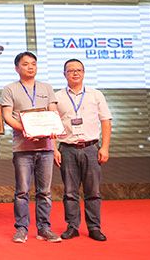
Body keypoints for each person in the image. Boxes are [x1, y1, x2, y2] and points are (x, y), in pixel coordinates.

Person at [1, 51, 61, 244]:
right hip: (22, 148)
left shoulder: (46, 87)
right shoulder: (10, 89)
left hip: (46, 148)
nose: (30, 67)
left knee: (45, 192)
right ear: (17, 68)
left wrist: (53, 131)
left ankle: (44, 228)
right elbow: (7, 116)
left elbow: (53, 113)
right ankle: (21, 228)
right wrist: (27, 129)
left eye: (33, 63)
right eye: (26, 64)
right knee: (22, 191)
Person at [54, 59, 111, 242]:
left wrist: (104, 147)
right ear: (64, 74)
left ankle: (94, 227)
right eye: (71, 70)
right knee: (70, 192)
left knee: (93, 192)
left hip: (91, 148)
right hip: (67, 149)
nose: (75, 73)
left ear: (84, 73)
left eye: (79, 70)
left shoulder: (95, 95)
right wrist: (54, 149)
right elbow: (53, 125)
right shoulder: (57, 97)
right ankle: (72, 227)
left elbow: (105, 121)